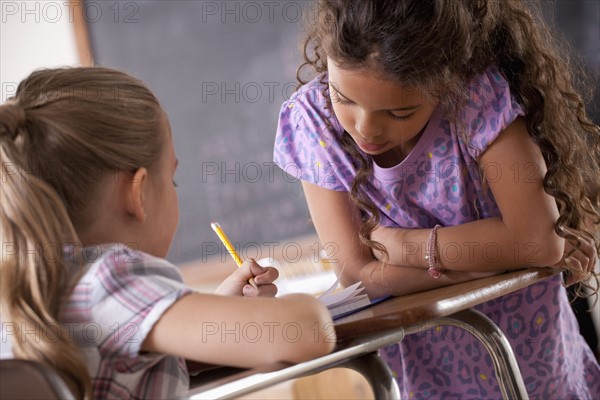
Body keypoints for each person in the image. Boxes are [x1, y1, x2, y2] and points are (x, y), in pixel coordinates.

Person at [273, 0, 600, 398]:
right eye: (345, 98)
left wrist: (405, 248)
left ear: (446, 81)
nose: (366, 128)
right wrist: (497, 262)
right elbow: (359, 278)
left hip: (533, 366)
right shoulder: (314, 121)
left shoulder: (476, 94)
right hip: (426, 375)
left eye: (399, 112)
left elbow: (536, 241)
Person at [0, 67, 335, 399]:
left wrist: (217, 309)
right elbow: (308, 332)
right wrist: (303, 310)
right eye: (172, 179)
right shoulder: (109, 279)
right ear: (139, 194)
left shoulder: (36, 288)